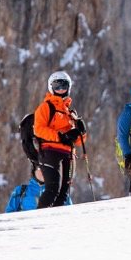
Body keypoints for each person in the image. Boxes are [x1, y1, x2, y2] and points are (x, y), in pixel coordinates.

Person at [33, 70, 85, 208]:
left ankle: (54, 222)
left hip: (68, 154)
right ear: (51, 87)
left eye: (64, 86)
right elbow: (38, 129)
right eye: (57, 86)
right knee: (52, 189)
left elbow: (80, 142)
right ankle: (37, 218)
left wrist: (81, 131)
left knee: (64, 192)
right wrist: (59, 136)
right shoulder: (46, 107)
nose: (61, 89)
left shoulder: (71, 113)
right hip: (50, 151)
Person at [5, 165, 71, 212]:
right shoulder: (21, 190)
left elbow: (70, 213)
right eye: (40, 168)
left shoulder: (60, 191)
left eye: (46, 169)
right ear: (34, 171)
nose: (43, 171)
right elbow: (10, 214)